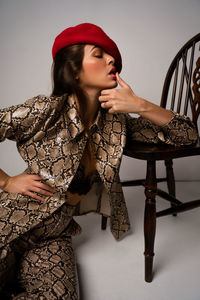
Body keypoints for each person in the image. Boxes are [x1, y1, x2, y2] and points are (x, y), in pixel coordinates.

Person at [0, 23, 198, 299]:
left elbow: (187, 136)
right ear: (74, 70)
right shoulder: (46, 109)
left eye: (112, 57)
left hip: (53, 238)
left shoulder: (116, 125)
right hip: (11, 221)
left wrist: (141, 105)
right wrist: (6, 180)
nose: (111, 60)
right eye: (98, 54)